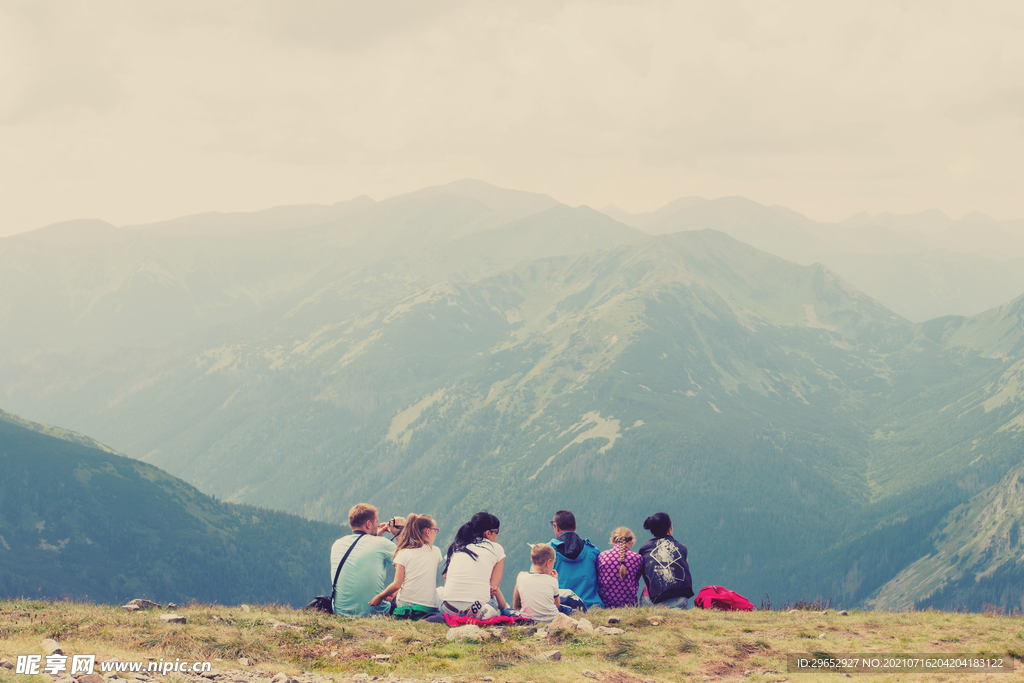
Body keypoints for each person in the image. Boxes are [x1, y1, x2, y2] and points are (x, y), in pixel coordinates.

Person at [330, 503, 404, 617]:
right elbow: (408, 562)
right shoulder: (382, 544)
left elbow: (364, 552)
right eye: (377, 522)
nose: (379, 525)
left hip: (340, 612)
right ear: (368, 524)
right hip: (374, 612)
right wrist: (399, 533)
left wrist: (375, 537)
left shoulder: (337, 544)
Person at [369, 514, 442, 619]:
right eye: (435, 530)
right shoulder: (436, 552)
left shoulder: (403, 553)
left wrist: (380, 597)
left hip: (406, 605)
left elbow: (396, 584)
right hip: (429, 607)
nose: (436, 533)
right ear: (428, 531)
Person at [440, 511, 507, 619]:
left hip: (448, 609)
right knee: (492, 599)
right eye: (496, 531)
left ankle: (459, 611)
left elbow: (446, 578)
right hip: (478, 608)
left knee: (441, 593)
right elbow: (493, 588)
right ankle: (478, 611)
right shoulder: (497, 549)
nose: (498, 534)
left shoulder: (457, 546)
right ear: (488, 533)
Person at [548, 509, 604, 609]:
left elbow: (537, 580)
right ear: (575, 527)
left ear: (556, 527)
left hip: (561, 607)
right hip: (592, 608)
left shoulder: (547, 552)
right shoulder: (593, 551)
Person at [637, 512, 693, 608]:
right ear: (670, 529)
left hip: (651, 602)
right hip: (678, 602)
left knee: (648, 586)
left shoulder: (644, 548)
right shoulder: (681, 548)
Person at [513, 544, 561, 623]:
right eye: (553, 563)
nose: (553, 566)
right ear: (548, 562)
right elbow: (557, 605)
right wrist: (555, 580)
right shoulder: (552, 581)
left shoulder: (520, 577)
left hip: (527, 619)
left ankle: (516, 610)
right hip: (551, 620)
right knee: (569, 609)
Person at [596, 526, 643, 607]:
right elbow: (636, 579)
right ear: (631, 541)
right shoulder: (637, 558)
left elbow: (598, 579)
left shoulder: (602, 556)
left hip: (605, 605)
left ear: (613, 542)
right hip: (629, 605)